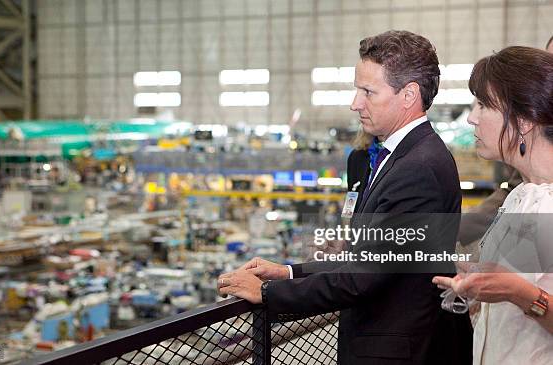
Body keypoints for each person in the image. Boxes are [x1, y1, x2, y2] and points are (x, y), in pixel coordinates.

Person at [219, 30, 472, 364]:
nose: (355, 103)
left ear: (409, 95)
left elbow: (361, 278)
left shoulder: (417, 168)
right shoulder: (403, 157)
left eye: (368, 91)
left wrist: (267, 293)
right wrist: (289, 273)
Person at [433, 46, 553, 364]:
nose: (472, 117)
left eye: (484, 104)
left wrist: (517, 292)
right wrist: (480, 278)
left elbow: (521, 290)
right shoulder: (520, 196)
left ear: (525, 120)